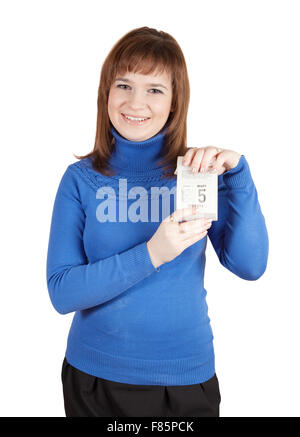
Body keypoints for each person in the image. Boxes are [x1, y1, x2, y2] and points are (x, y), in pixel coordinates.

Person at [46, 26, 269, 417]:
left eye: (154, 89)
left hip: (185, 381)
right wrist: (151, 253)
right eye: (124, 85)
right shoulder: (80, 179)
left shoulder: (197, 174)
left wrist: (239, 175)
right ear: (106, 92)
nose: (135, 102)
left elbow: (250, 266)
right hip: (93, 381)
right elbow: (62, 292)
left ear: (174, 101)